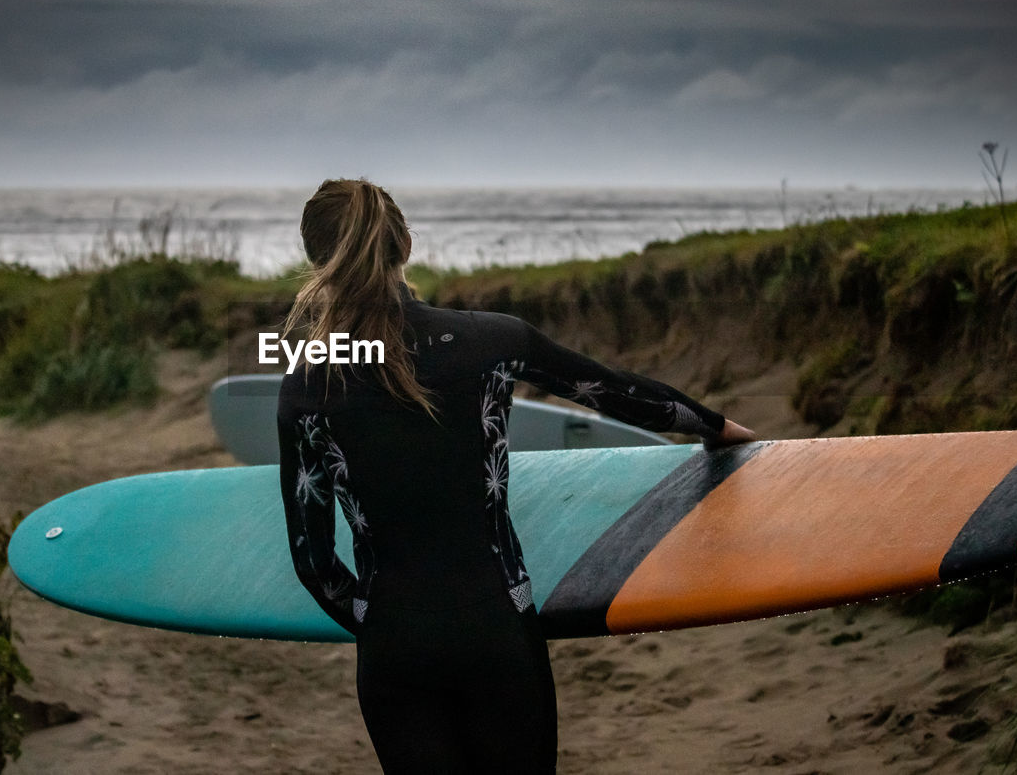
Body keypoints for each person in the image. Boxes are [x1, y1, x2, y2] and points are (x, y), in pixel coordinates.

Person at [277, 179, 756, 774]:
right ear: (404, 243)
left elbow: (313, 560)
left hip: (396, 649)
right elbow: (611, 391)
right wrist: (712, 425)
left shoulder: (306, 381)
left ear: (316, 261)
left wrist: (378, 622)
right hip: (497, 628)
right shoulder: (492, 340)